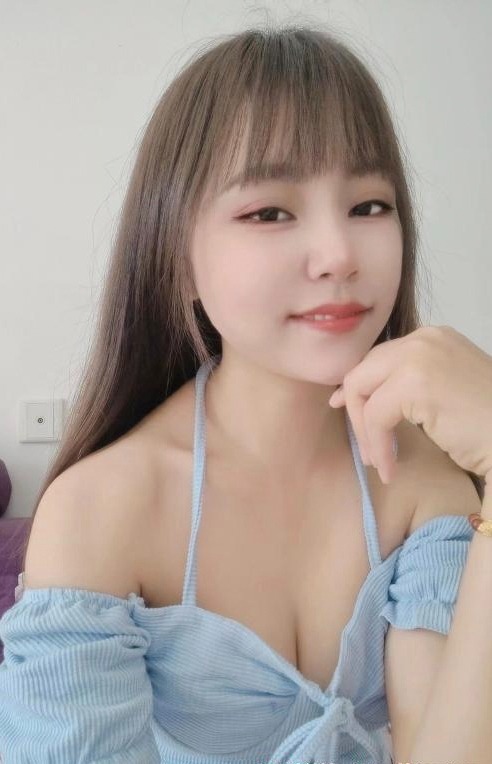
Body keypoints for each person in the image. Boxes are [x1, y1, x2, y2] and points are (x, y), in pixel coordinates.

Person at [0, 23, 484, 764]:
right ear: (177, 255)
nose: (339, 255)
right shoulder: (102, 509)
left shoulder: (421, 479)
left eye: (369, 205)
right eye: (269, 212)